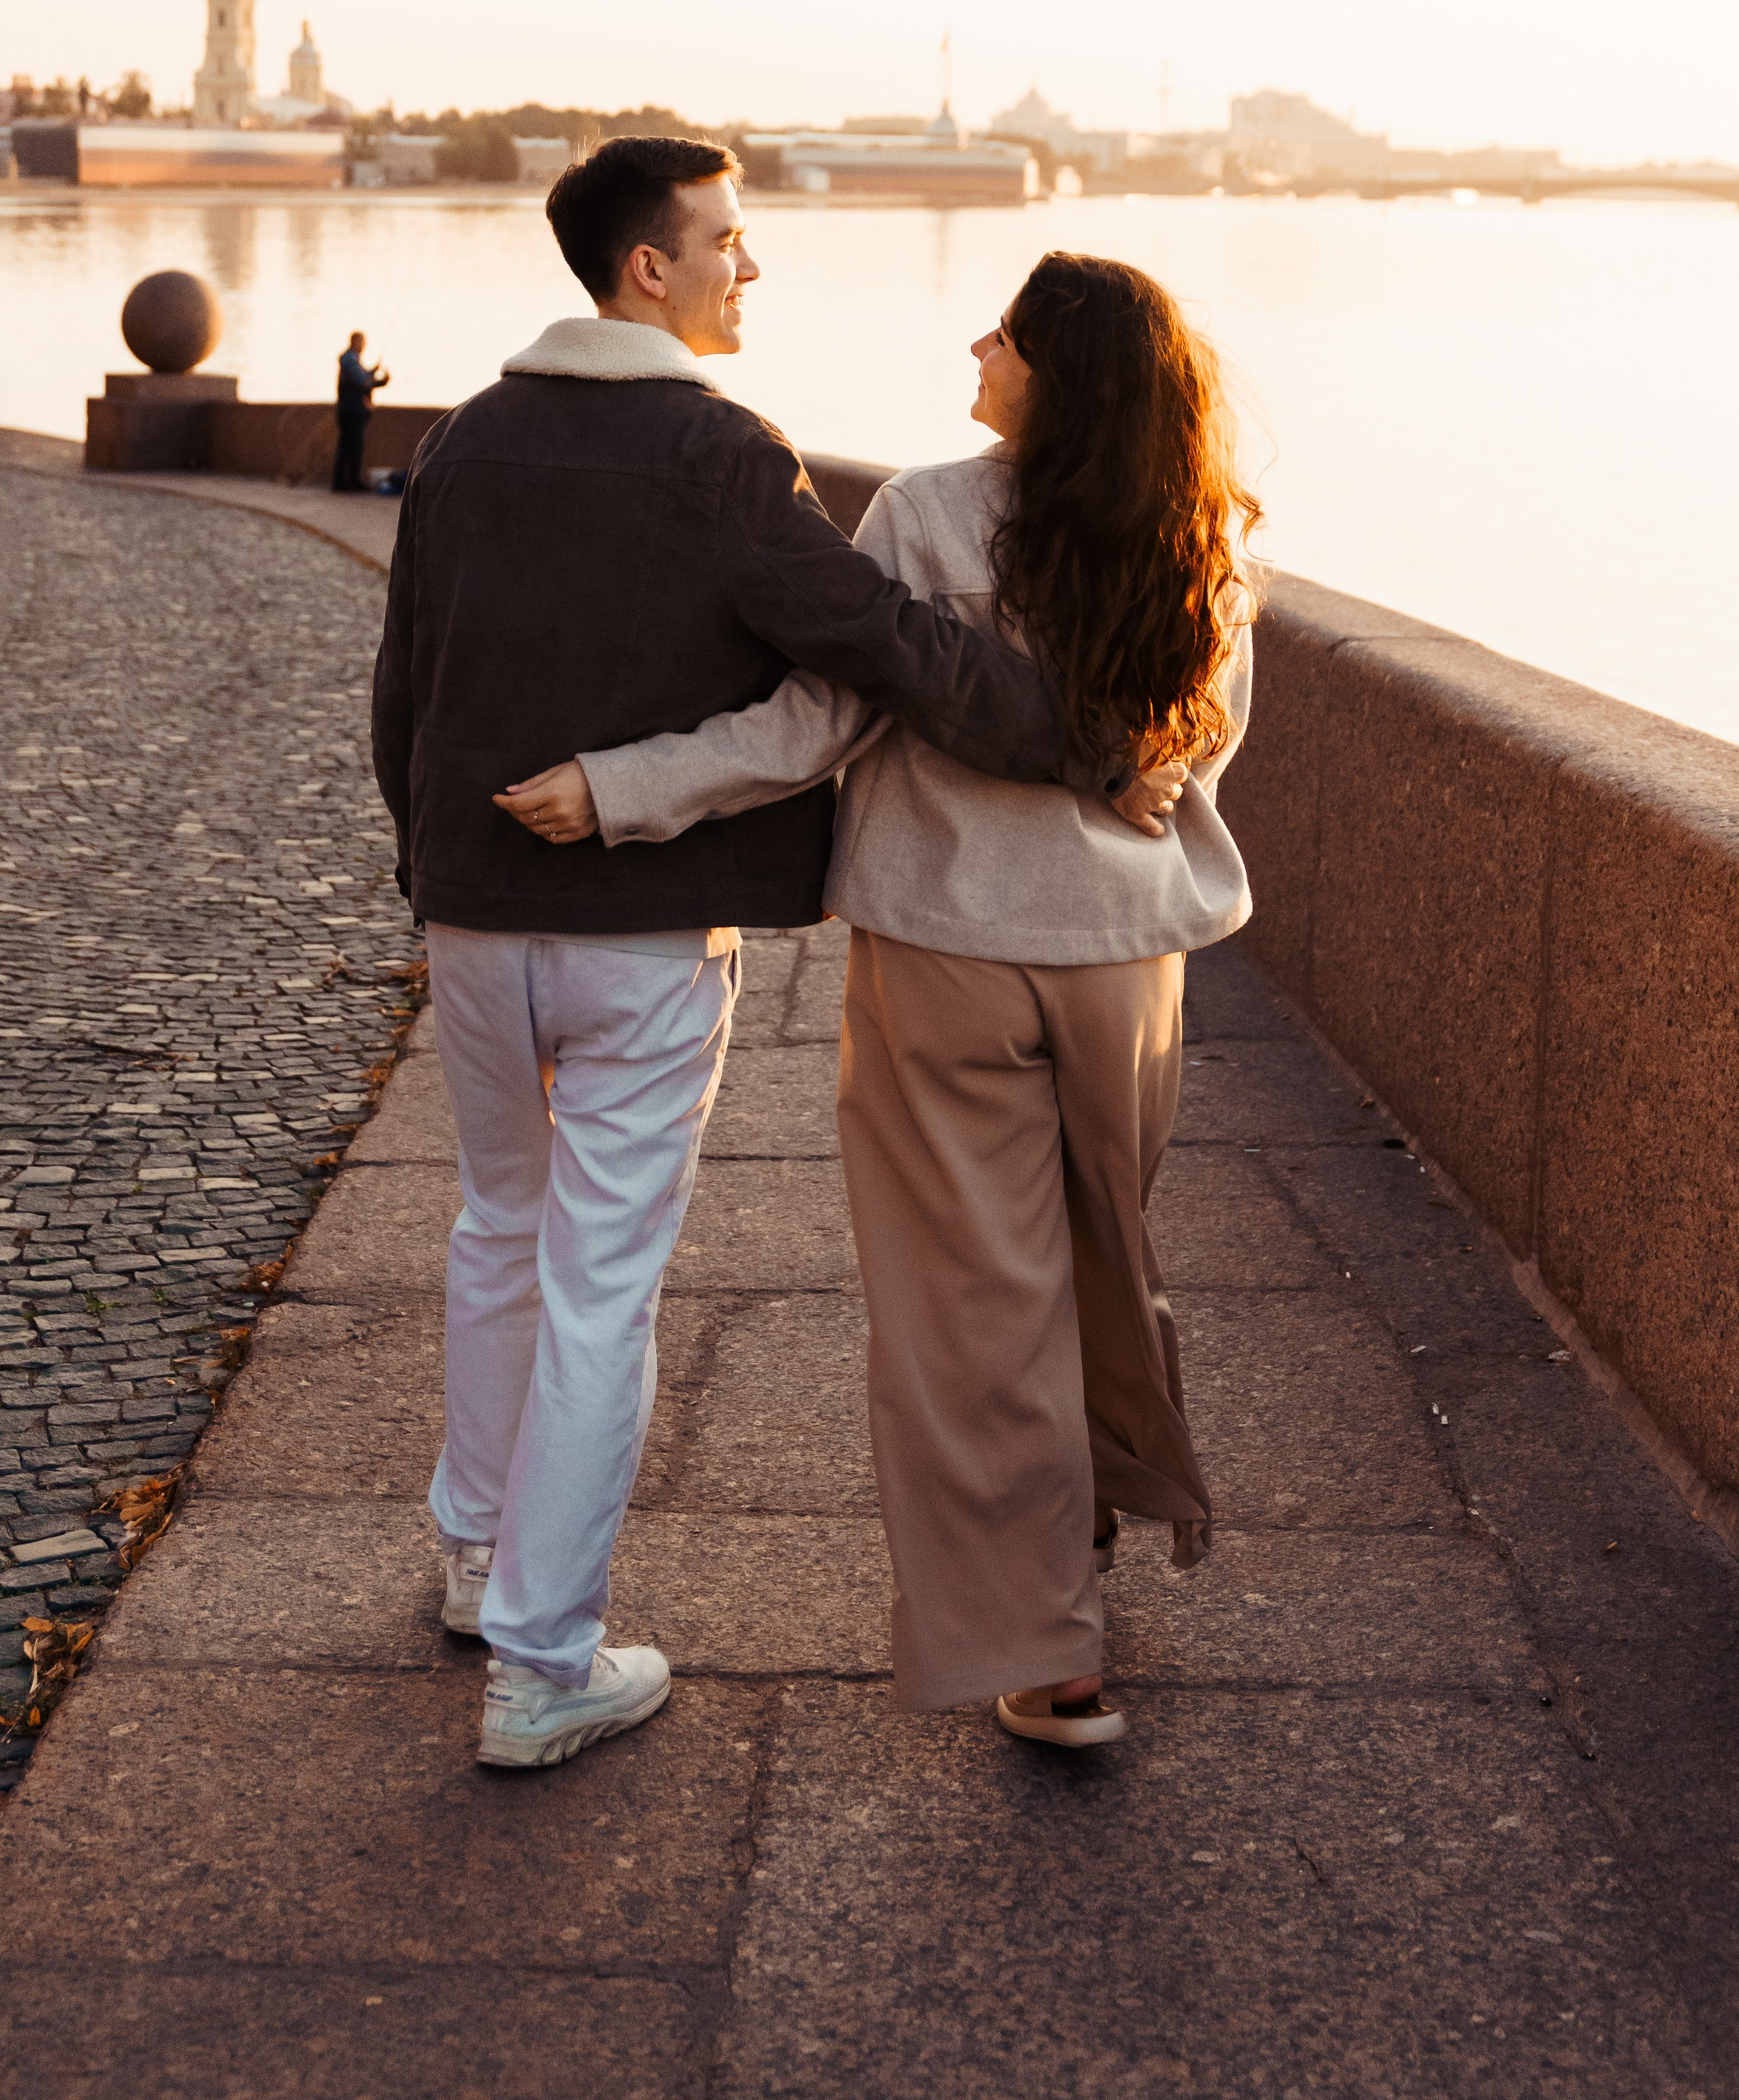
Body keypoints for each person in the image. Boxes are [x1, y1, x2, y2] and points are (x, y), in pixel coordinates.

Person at [371, 149, 1180, 1772]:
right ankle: (540, 1664)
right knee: (598, 1286)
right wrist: (1091, 740)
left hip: (471, 916)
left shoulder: (465, 435)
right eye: (729, 244)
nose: (754, 271)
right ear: (646, 274)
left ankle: (473, 1559)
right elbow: (877, 651)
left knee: (492, 1228)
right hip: (644, 935)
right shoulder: (718, 449)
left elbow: (405, 690)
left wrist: (437, 859)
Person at [333, 330, 388, 494]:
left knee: (346, 447)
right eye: (362, 342)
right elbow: (362, 381)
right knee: (353, 447)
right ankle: (350, 482)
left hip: (348, 411)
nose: (364, 346)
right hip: (352, 412)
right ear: (355, 342)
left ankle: (342, 482)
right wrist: (379, 381)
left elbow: (362, 378)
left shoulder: (351, 360)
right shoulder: (350, 359)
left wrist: (374, 374)